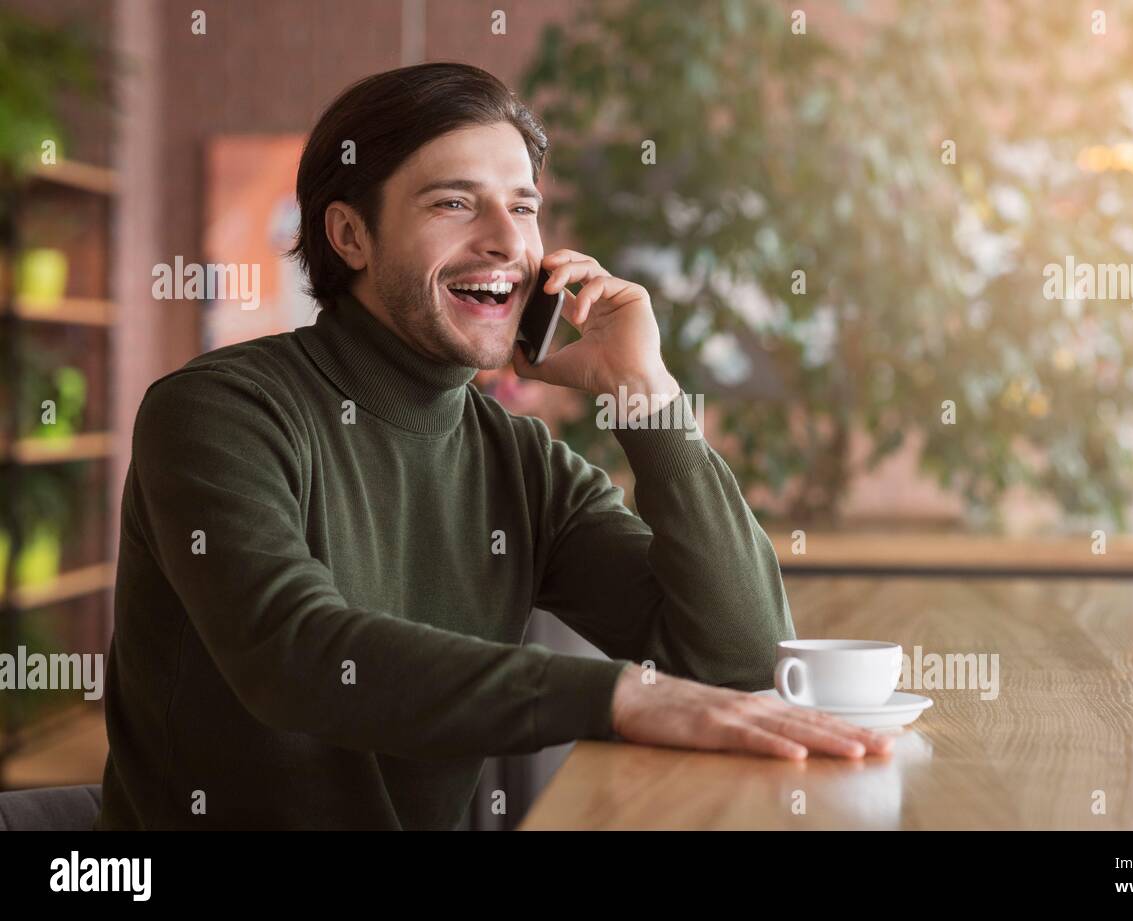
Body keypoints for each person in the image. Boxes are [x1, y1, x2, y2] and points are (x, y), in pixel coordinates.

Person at [96, 62, 890, 830]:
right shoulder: (218, 410)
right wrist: (619, 696)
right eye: (454, 203)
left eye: (524, 206)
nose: (509, 242)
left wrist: (646, 393)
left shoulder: (523, 463)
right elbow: (293, 652)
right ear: (349, 235)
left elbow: (741, 657)